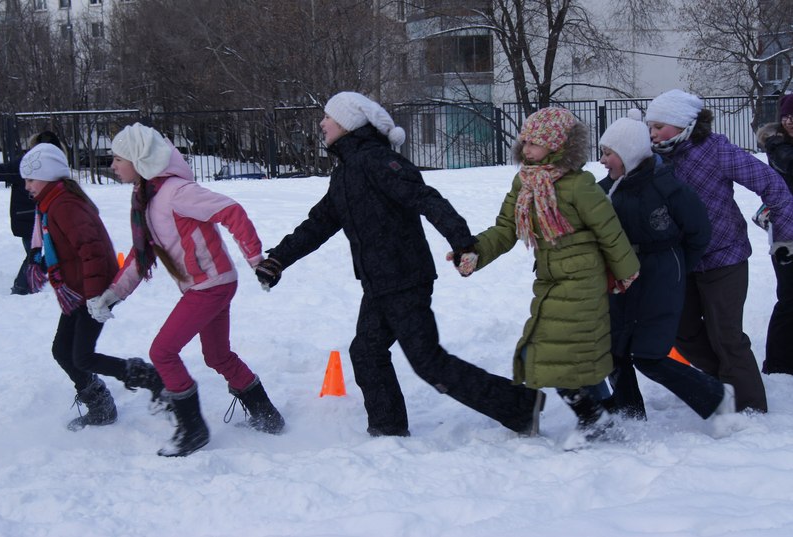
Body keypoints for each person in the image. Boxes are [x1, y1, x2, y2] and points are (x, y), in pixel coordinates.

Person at [254, 91, 545, 437]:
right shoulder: (346, 173)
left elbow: (425, 197)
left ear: (348, 125)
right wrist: (279, 259)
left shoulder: (378, 162)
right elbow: (318, 223)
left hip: (405, 278)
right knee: (366, 352)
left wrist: (462, 242)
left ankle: (521, 405)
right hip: (379, 283)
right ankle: (387, 428)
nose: (322, 123)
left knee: (428, 361)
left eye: (328, 117)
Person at [89, 123, 284, 457]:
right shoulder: (146, 196)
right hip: (208, 283)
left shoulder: (176, 192)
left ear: (138, 159)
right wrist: (114, 293)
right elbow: (142, 256)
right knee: (217, 356)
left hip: (210, 285)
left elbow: (230, 211)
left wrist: (255, 259)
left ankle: (192, 429)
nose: (113, 165)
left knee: (162, 351)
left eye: (118, 158)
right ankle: (267, 416)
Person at [448, 107, 640, 441]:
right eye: (525, 141)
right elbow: (505, 229)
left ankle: (593, 418)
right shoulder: (524, 182)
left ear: (557, 146)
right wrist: (474, 252)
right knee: (575, 356)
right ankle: (606, 417)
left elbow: (610, 232)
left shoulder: (579, 185)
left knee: (546, 354)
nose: (526, 149)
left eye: (535, 144)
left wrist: (626, 274)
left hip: (582, 281)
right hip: (551, 280)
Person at [645, 89, 793, 413]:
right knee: (680, 332)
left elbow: (772, 186)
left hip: (724, 256)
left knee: (726, 336)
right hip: (679, 262)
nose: (652, 132)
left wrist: (783, 234)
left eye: (659, 126)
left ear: (683, 124)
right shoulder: (650, 158)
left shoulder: (716, 149)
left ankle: (750, 408)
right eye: (649, 126)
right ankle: (723, 385)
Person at [597, 110, 735, 420]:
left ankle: (715, 397)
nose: (603, 160)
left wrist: (675, 266)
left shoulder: (665, 186)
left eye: (608, 153)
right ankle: (629, 417)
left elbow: (699, 231)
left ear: (629, 154)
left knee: (649, 355)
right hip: (622, 280)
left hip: (660, 279)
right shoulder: (605, 190)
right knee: (614, 351)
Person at [19, 142, 164, 432]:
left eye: (31, 179)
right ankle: (99, 402)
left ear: (48, 176)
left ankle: (146, 377)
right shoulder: (53, 203)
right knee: (63, 350)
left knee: (82, 356)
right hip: (79, 290)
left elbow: (92, 249)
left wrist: (96, 295)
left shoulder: (64, 205)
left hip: (94, 290)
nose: (26, 186)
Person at [0, 131, 66, 295]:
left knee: (48, 251)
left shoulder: (47, 163)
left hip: (40, 215)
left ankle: (29, 282)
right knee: (33, 253)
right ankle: (22, 286)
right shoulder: (29, 162)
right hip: (29, 217)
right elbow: (2, 171)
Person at [756, 94, 793, 376]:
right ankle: (777, 364)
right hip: (785, 237)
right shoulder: (778, 146)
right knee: (789, 299)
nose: (790, 122)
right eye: (786, 117)